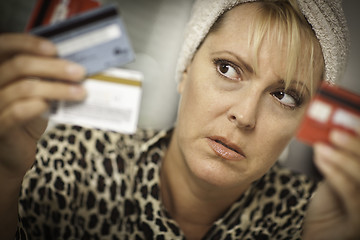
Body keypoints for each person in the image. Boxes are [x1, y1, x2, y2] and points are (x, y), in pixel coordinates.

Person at [0, 0, 359, 239]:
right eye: (228, 68)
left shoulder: (318, 221)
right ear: (185, 70)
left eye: (284, 96)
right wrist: (4, 177)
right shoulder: (73, 159)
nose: (244, 116)